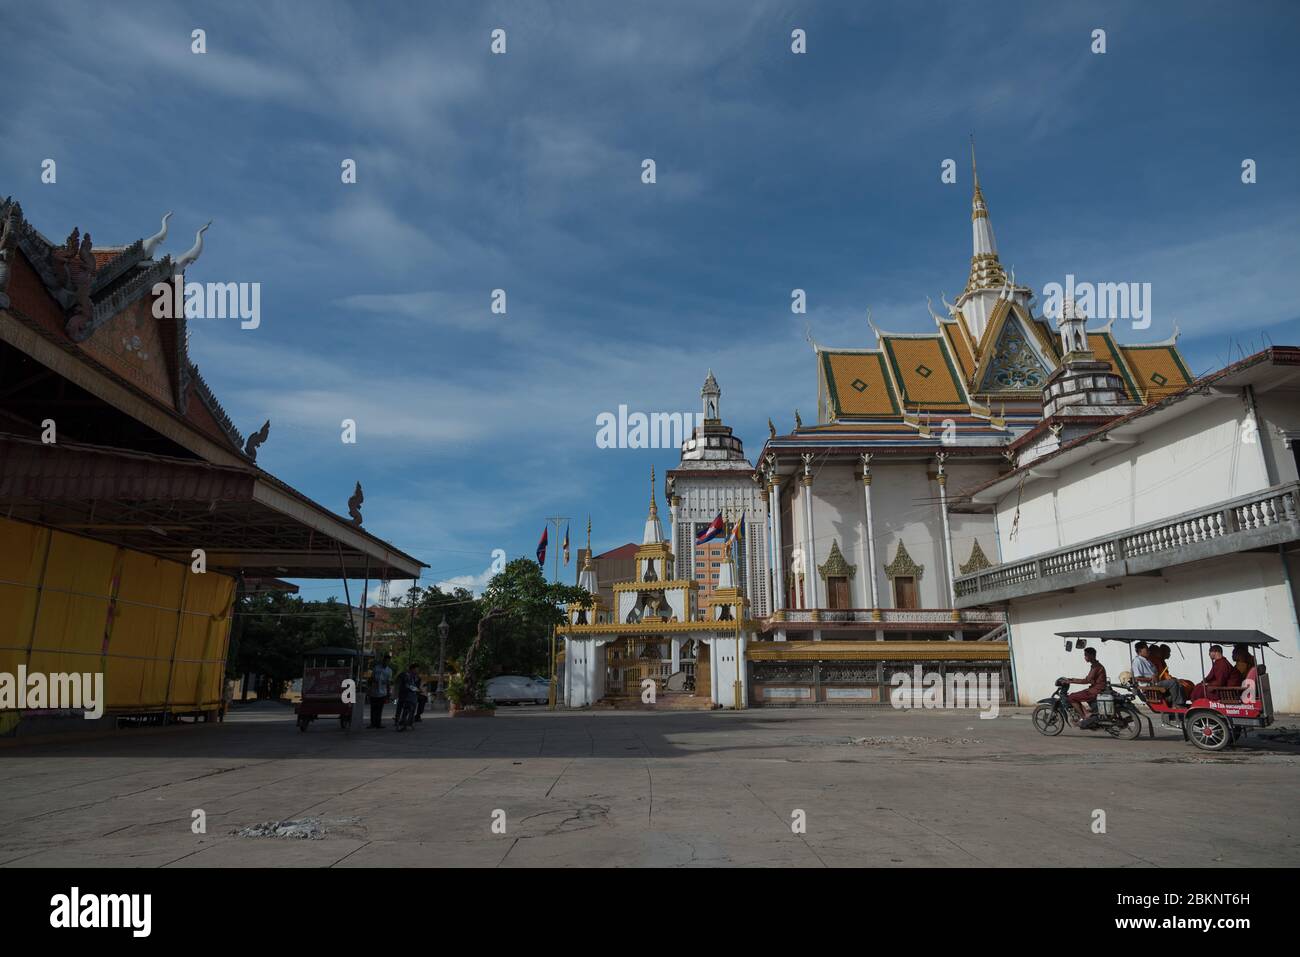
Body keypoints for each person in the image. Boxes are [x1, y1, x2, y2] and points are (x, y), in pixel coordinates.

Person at [1065, 647, 1107, 724]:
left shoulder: (1096, 667)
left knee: (1071, 697)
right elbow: (1089, 679)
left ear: (1092, 655)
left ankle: (1084, 717)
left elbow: (1087, 680)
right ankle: (1087, 713)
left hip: (1095, 691)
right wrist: (1072, 679)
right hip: (1095, 689)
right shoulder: (1095, 665)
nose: (1085, 657)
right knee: (1075, 695)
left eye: (1086, 655)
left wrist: (1071, 681)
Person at [369, 653, 393, 729]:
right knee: (373, 708)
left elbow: (389, 682)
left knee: (379, 709)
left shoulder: (389, 671)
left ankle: (378, 723)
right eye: (385, 661)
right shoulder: (376, 668)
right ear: (383, 661)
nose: (386, 662)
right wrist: (370, 687)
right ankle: (372, 723)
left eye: (388, 661)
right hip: (374, 691)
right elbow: (371, 678)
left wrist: (388, 693)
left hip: (383, 692)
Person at [395, 662, 421, 731]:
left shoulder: (416, 677)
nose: (417, 671)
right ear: (412, 669)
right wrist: (417, 689)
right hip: (404, 695)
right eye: (416, 669)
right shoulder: (405, 675)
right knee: (401, 709)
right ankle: (399, 723)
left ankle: (408, 723)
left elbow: (416, 685)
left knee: (411, 710)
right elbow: (406, 685)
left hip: (412, 696)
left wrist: (417, 689)